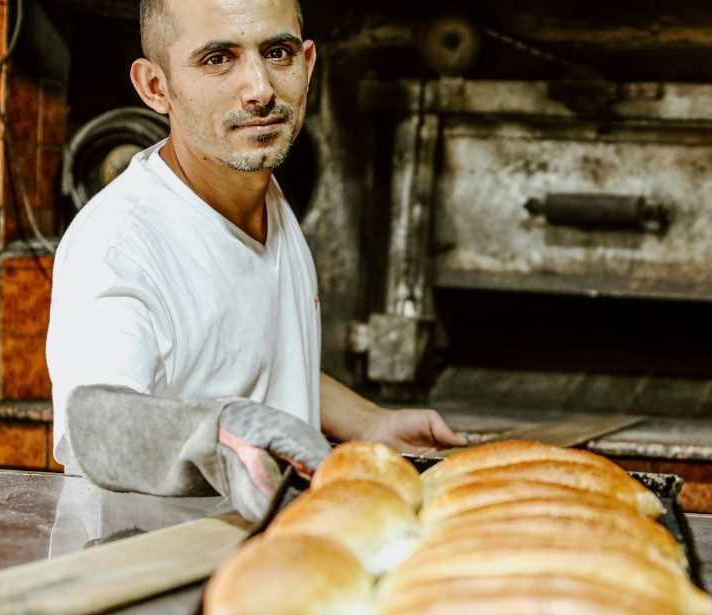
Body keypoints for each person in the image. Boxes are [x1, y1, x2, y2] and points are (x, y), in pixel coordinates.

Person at [46, 0, 464, 521]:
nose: (261, 89)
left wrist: (367, 422)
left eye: (278, 52)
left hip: (277, 543)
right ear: (156, 87)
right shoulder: (121, 245)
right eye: (218, 59)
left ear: (308, 64)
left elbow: (245, 357)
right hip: (157, 566)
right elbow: (96, 426)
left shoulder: (260, 188)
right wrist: (224, 437)